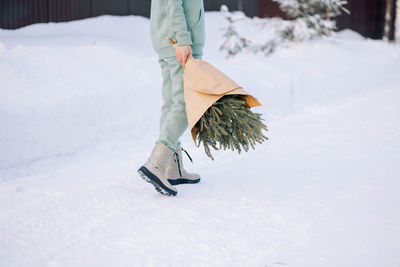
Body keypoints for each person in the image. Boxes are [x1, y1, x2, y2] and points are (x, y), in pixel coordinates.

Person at [138, 0, 205, 196]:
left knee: (172, 103)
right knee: (186, 103)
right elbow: (173, 3)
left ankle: (173, 168)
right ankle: (156, 163)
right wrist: (183, 39)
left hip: (169, 40)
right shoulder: (181, 40)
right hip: (180, 42)